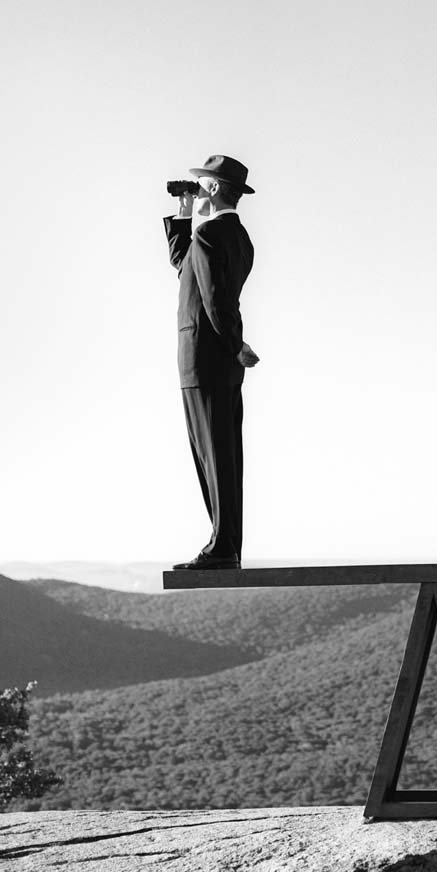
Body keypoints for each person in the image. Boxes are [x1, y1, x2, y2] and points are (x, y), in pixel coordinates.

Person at [164, 155, 259, 571]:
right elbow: (185, 267)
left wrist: (237, 345)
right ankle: (226, 545)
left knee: (213, 455)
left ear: (216, 189)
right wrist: (183, 216)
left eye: (200, 184)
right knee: (222, 453)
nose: (196, 189)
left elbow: (217, 301)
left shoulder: (212, 237)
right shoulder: (236, 237)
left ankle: (222, 549)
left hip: (204, 359)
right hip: (217, 360)